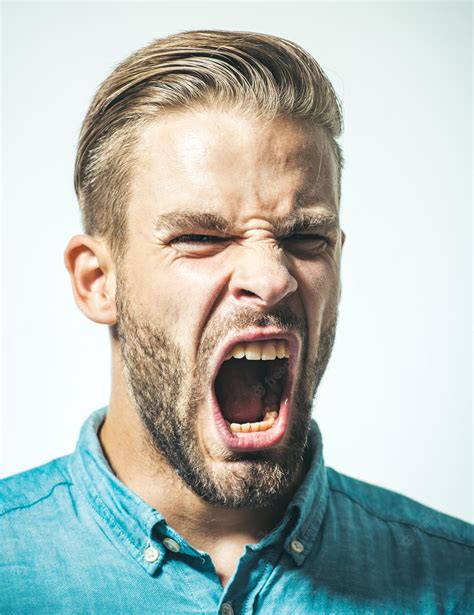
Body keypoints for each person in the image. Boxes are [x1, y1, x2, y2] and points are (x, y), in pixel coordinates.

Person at [1, 29, 472, 615]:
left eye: (305, 237)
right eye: (201, 237)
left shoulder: (457, 583)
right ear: (98, 282)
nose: (272, 276)